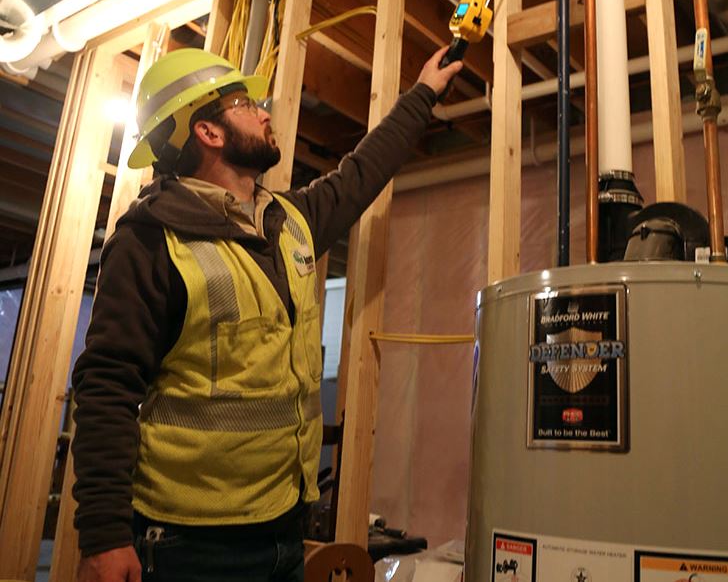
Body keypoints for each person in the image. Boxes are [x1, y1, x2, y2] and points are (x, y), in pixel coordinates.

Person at [71, 45, 462, 582]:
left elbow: (362, 174)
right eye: (245, 103)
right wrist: (104, 537)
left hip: (283, 530)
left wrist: (422, 94)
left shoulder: (288, 221)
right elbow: (107, 390)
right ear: (208, 132)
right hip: (193, 546)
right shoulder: (149, 242)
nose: (263, 112)